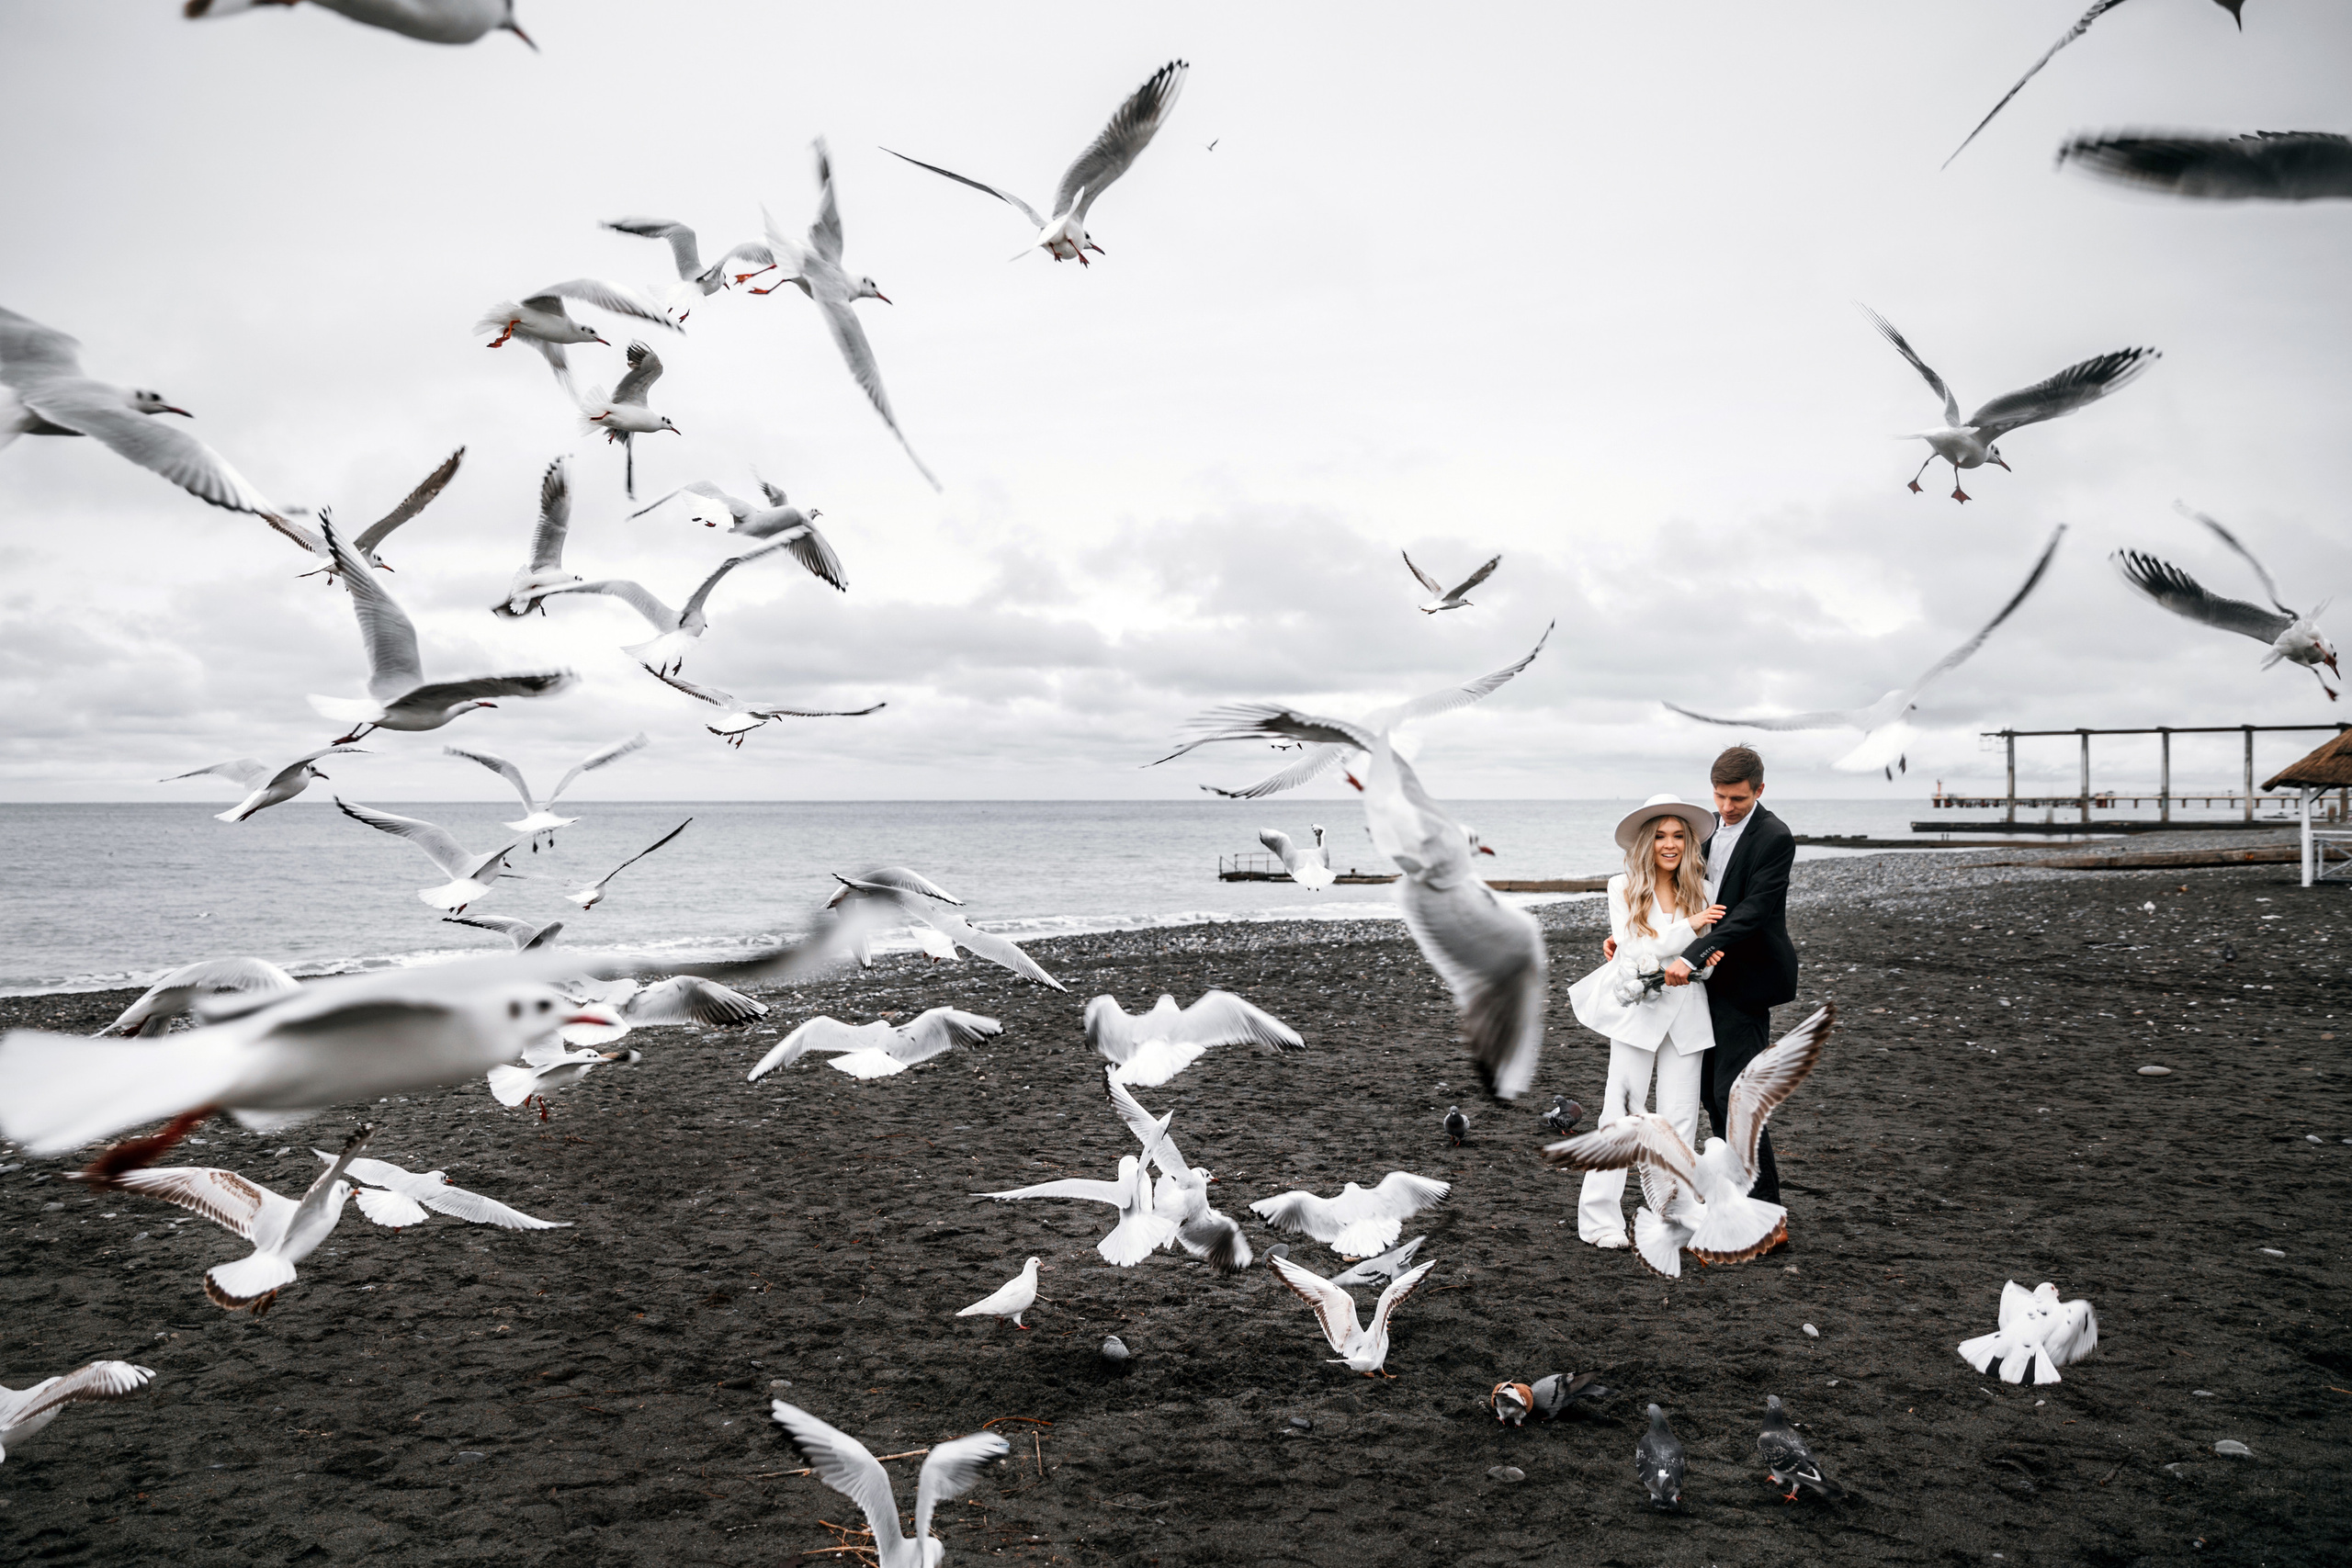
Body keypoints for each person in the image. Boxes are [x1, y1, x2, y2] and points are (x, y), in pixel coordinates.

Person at [1566, 794, 1723, 1247]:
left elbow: (1704, 964)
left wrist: (1704, 957)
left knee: (1679, 1121)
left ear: (1688, 842)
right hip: (1640, 1012)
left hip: (1689, 1013)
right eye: (1660, 836)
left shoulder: (1704, 888)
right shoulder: (1623, 886)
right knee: (1619, 1116)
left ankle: (1675, 1218)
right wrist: (1691, 928)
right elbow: (1634, 950)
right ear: (1645, 842)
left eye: (1677, 836)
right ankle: (1599, 1221)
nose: (1669, 844)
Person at [1673, 745, 1799, 1211]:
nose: (1726, 808)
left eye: (1738, 800)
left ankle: (1766, 1209)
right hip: (1702, 981)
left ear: (1759, 790)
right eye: (1720, 797)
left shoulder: (1775, 837)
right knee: (1709, 1093)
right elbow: (1677, 892)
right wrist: (1629, 940)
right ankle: (1737, 1192)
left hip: (1746, 980)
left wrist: (1692, 955)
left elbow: (1751, 912)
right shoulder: (1704, 828)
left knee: (1736, 1096)